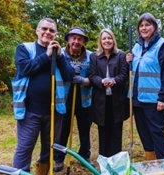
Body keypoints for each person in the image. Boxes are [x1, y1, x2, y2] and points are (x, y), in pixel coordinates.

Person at [12, 18, 75, 174]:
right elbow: (25, 68)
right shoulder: (25, 48)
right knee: (25, 147)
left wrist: (59, 57)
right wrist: (47, 56)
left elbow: (69, 76)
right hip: (30, 111)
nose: (48, 32)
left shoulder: (61, 53)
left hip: (54, 111)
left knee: (49, 149)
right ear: (37, 31)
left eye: (52, 30)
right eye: (44, 29)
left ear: (55, 34)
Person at [126, 13, 164, 160]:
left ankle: (162, 163)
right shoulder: (136, 47)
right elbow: (133, 71)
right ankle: (150, 159)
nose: (144, 28)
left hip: (155, 101)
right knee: (144, 133)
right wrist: (128, 60)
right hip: (137, 100)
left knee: (157, 133)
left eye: (147, 25)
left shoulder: (163, 45)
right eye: (141, 25)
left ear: (154, 27)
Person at [53, 26, 94, 172]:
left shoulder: (91, 56)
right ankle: (59, 159)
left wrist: (84, 80)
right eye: (73, 38)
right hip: (65, 100)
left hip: (84, 100)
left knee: (84, 130)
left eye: (79, 39)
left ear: (83, 41)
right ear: (68, 39)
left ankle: (85, 156)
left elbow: (94, 77)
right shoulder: (60, 54)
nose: (76, 41)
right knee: (63, 130)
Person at [88, 29, 129, 157]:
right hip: (101, 100)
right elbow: (92, 75)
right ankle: (104, 159)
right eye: (104, 38)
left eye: (109, 38)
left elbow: (124, 74)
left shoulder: (121, 55)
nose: (107, 41)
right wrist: (101, 82)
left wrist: (114, 81)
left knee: (116, 130)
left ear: (113, 40)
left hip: (117, 99)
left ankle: (116, 159)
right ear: (100, 41)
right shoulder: (94, 56)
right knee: (103, 130)